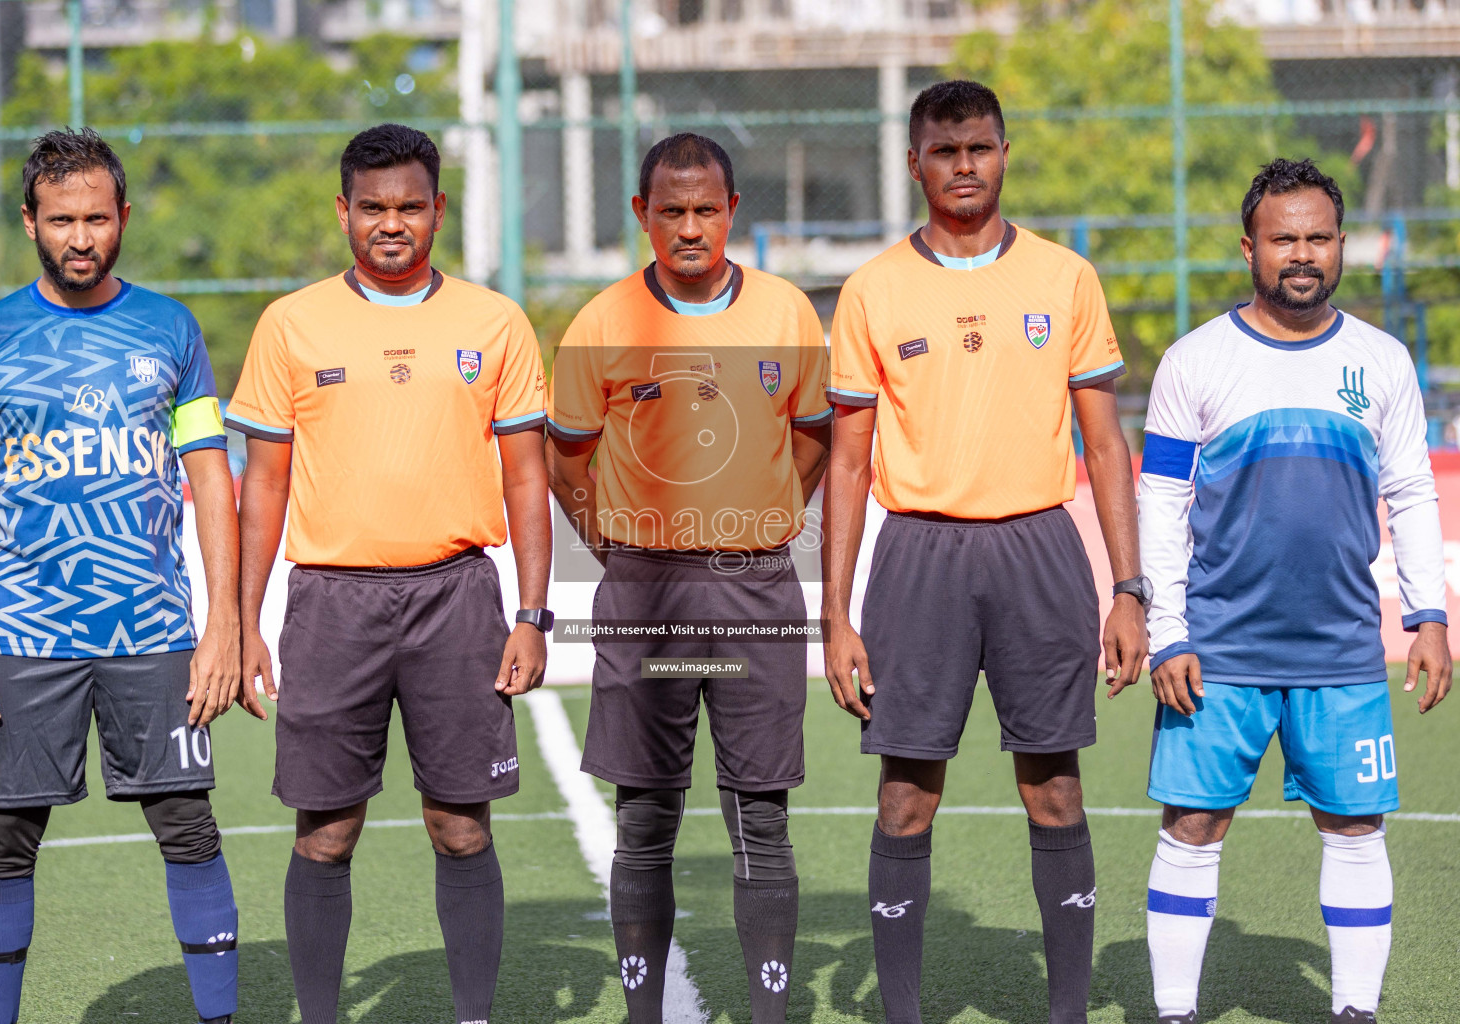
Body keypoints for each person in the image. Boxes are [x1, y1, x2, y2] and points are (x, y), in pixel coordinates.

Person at [822, 81, 1149, 1024]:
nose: (964, 166)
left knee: (1052, 787)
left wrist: (1128, 588)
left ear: (1004, 154)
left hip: (1039, 548)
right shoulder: (875, 289)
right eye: (945, 150)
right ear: (915, 161)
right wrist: (836, 613)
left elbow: (1104, 444)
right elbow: (846, 464)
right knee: (905, 796)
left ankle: (1069, 1011)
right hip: (918, 556)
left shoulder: (1064, 278)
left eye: (981, 148)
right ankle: (903, 1013)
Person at [226, 122, 551, 1024]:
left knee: (461, 828)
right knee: (326, 835)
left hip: (458, 599)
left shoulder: (494, 321)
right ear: (343, 212)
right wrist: (244, 620)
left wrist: (533, 614)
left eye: (410, 206)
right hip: (332, 605)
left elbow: (528, 475)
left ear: (439, 210)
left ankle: (474, 1016)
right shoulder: (291, 324)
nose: (392, 223)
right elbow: (265, 487)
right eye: (373, 207)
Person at [0, 128, 241, 1024]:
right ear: (29, 222)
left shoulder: (171, 329)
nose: (80, 237)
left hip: (153, 632)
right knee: (6, 840)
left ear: (123, 218)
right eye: (61, 219)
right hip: (24, 637)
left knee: (189, 829)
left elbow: (210, 480)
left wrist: (221, 625)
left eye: (97, 218)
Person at [1133, 158, 1451, 1024]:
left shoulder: (1381, 362)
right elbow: (1159, 502)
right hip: (1219, 651)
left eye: (1317, 237)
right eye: (1284, 239)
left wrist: (1428, 616)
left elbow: (1414, 492)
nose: (1301, 254)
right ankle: (1174, 1012)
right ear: (1250, 247)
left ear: (1341, 244)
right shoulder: (1194, 360)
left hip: (1343, 649)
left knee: (1354, 829)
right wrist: (1169, 630)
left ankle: (1354, 1011)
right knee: (1192, 826)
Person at [546, 133, 831, 1023]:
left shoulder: (787, 314)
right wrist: (626, 554)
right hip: (644, 603)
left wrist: (751, 526)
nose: (691, 227)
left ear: (733, 212)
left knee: (760, 816)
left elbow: (814, 440)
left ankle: (770, 1011)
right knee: (646, 817)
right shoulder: (602, 324)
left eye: (707, 209)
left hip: (755, 597)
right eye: (671, 211)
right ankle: (642, 1012)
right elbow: (567, 464)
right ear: (642, 215)